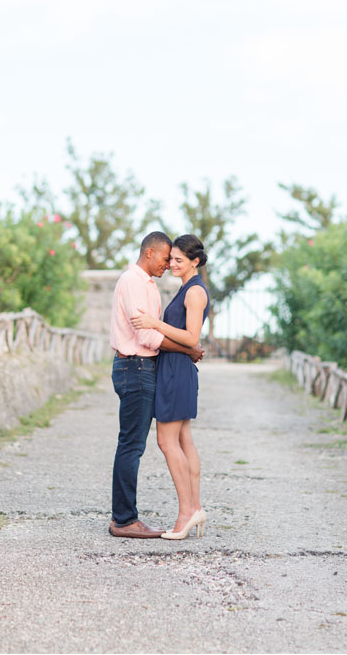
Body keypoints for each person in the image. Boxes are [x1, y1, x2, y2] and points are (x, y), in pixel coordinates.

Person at [109, 231, 203, 539]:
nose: (168, 265)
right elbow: (147, 336)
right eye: (166, 258)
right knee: (132, 445)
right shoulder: (134, 283)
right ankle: (124, 519)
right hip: (135, 366)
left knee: (143, 443)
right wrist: (189, 349)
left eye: (175, 260)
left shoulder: (149, 285)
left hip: (144, 367)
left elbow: (159, 330)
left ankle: (189, 509)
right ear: (150, 253)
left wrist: (186, 345)